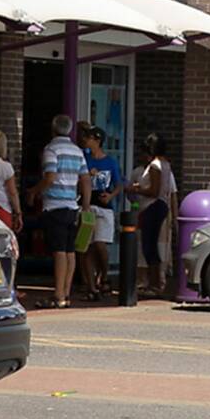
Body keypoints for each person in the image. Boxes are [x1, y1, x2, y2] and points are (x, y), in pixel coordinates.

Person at [38, 114, 91, 309]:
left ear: (53, 129)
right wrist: (85, 205)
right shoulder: (78, 151)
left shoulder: (51, 150)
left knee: (59, 251)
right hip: (72, 205)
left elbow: (50, 177)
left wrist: (35, 191)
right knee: (70, 251)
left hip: (55, 205)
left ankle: (58, 294)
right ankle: (66, 294)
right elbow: (85, 180)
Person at [130, 133, 178, 297]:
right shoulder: (166, 164)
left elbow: (154, 191)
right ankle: (156, 283)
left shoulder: (155, 165)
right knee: (151, 246)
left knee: (149, 246)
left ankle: (154, 284)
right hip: (160, 207)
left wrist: (136, 189)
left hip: (152, 207)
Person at [81, 126, 123, 302]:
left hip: (104, 207)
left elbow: (120, 183)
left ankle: (104, 275)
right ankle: (91, 287)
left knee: (100, 244)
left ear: (97, 140)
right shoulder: (85, 159)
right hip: (88, 206)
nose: (86, 141)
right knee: (86, 247)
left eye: (89, 138)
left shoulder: (110, 162)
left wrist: (111, 195)